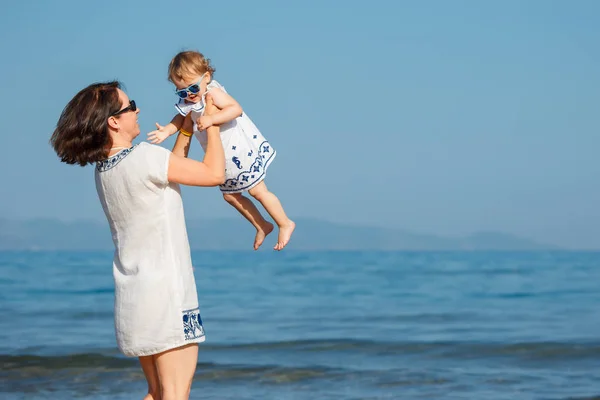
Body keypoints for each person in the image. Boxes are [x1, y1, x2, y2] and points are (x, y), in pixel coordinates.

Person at [50, 81, 224, 400]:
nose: (138, 110)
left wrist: (184, 132)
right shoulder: (145, 158)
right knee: (173, 395)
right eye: (131, 106)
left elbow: (170, 172)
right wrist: (210, 120)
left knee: (157, 393)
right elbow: (214, 174)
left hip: (137, 296)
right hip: (167, 296)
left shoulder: (106, 169)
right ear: (114, 121)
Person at [147, 50, 295, 251]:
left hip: (238, 151)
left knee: (258, 190)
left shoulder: (212, 93)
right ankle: (262, 224)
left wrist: (211, 119)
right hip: (222, 157)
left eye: (192, 88)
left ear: (206, 77)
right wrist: (167, 131)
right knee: (230, 196)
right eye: (181, 91)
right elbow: (180, 119)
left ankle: (284, 222)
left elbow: (236, 109)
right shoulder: (190, 101)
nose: (188, 95)